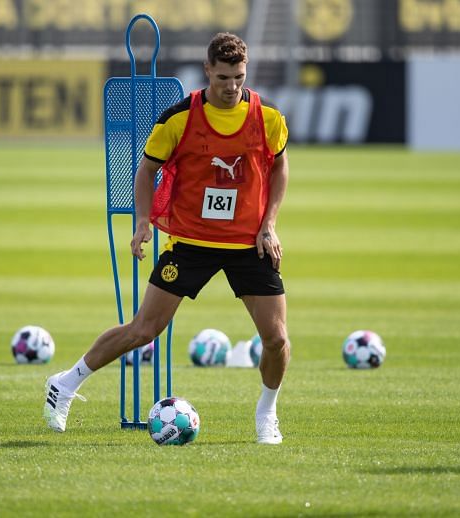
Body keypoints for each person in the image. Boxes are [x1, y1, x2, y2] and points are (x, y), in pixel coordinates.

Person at [43, 32, 290, 444]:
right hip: (191, 242)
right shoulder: (178, 118)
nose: (232, 87)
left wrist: (269, 225)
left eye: (239, 78)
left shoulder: (268, 117)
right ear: (207, 70)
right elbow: (146, 171)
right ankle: (65, 384)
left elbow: (280, 167)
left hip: (249, 244)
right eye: (224, 77)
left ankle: (267, 413)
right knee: (144, 329)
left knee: (277, 339)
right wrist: (143, 220)